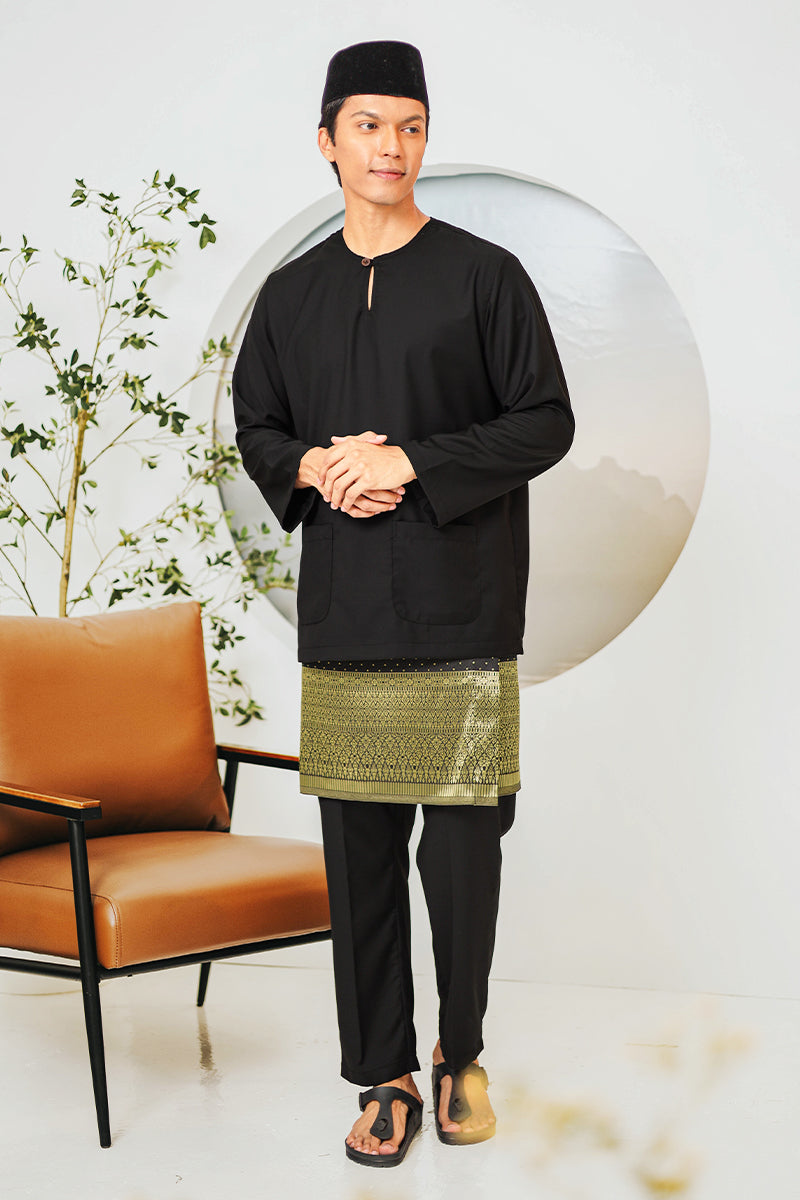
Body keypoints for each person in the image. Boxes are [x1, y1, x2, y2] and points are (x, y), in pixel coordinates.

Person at [233, 39, 574, 1168]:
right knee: (361, 858)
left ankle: (458, 1054)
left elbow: (544, 420)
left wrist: (410, 461)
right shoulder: (290, 295)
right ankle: (381, 1074)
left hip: (461, 606)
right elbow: (257, 426)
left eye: (411, 126)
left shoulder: (485, 275)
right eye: (370, 125)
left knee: (464, 857)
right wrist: (311, 467)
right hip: (345, 614)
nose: (393, 146)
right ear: (327, 141)